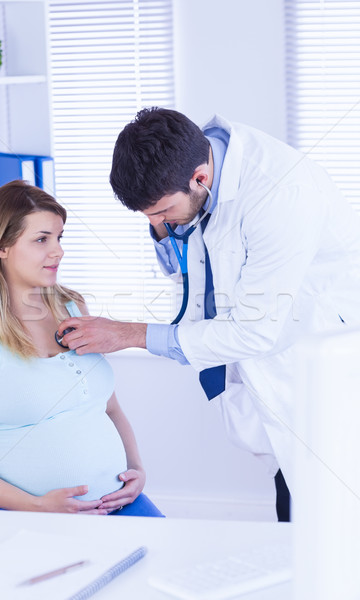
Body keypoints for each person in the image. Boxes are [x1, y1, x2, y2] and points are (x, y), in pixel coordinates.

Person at [57, 107, 360, 521]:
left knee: (325, 517)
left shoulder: (281, 194)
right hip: (267, 372)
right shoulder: (188, 166)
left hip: (314, 366)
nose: (157, 223)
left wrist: (130, 334)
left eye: (161, 212)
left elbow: (256, 331)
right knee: (290, 495)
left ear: (200, 178)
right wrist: (165, 225)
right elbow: (188, 264)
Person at [0, 180, 162, 517]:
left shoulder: (72, 307)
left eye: (59, 238)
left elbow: (109, 408)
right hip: (20, 513)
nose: (58, 251)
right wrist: (38, 505)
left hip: (118, 501)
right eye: (41, 240)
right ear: (2, 247)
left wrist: (137, 470)